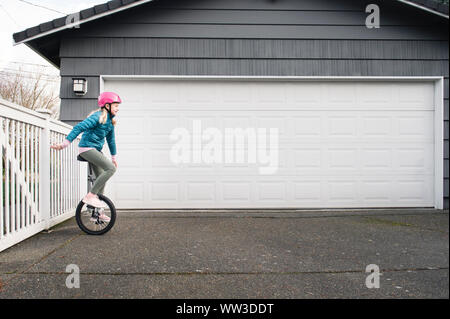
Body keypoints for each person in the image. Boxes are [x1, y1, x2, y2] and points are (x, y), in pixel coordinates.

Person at [51, 92, 121, 221]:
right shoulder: (97, 116)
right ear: (107, 105)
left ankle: (96, 213)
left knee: (102, 179)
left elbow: (111, 141)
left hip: (95, 150)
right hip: (86, 148)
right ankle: (91, 195)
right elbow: (79, 127)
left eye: (118, 106)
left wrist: (114, 157)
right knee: (110, 169)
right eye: (115, 105)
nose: (117, 108)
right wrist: (64, 144)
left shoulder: (110, 122)